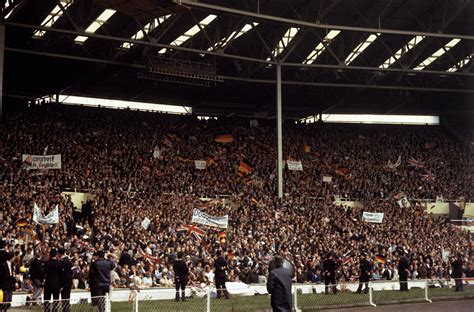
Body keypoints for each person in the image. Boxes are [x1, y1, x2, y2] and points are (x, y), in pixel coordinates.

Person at [0, 241, 15, 312]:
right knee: (5, 296)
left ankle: (6, 307)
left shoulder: (11, 265)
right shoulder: (3, 263)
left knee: (8, 297)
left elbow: (11, 274)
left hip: (9, 282)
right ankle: (4, 308)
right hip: (3, 281)